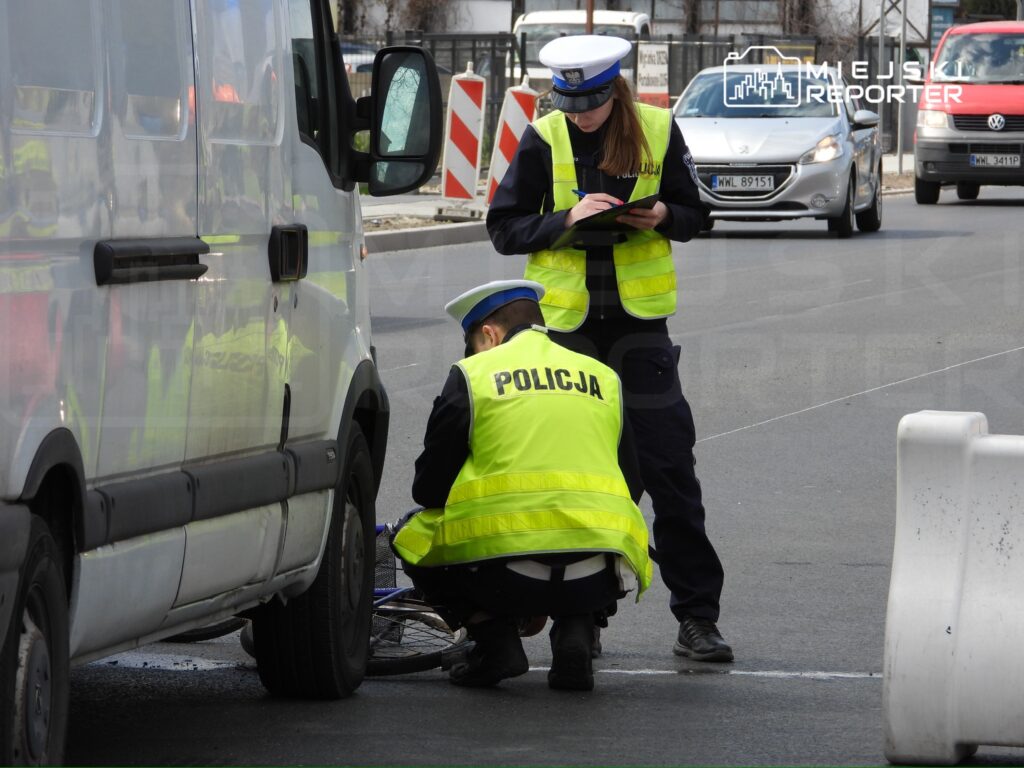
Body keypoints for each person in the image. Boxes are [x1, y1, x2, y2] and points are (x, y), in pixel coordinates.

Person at [486, 35, 733, 662]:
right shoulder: (545, 137)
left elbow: (696, 213)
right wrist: (566, 221)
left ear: (614, 90)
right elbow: (504, 228)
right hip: (566, 335)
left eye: (591, 101)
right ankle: (582, 617)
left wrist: (664, 219)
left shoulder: (654, 126)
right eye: (569, 102)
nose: (580, 113)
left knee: (670, 472)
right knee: (578, 480)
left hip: (639, 332)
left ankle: (697, 620)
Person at [392, 279, 652, 691]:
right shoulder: (603, 376)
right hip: (595, 575)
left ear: (489, 334)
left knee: (411, 532)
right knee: (603, 520)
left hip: (501, 577)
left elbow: (429, 490)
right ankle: (578, 629)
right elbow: (631, 482)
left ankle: (496, 643)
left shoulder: (473, 375)